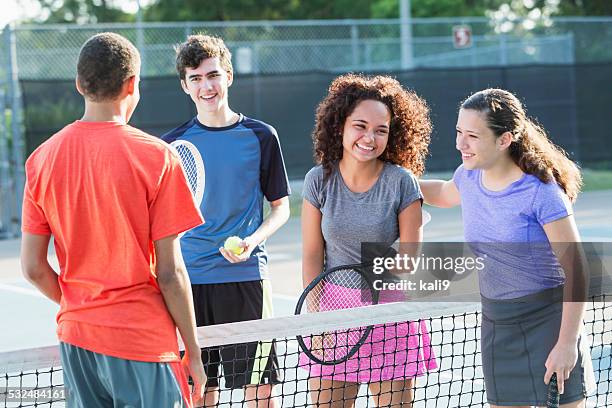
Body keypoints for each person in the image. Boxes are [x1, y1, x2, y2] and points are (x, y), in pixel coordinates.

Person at [20, 33, 206, 407]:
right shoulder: (158, 158)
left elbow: (33, 268)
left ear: (78, 84)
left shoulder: (40, 159)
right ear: (132, 84)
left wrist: (82, 308)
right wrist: (194, 353)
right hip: (143, 342)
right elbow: (170, 274)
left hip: (77, 340)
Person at [419, 88, 596, 408]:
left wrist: (567, 342)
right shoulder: (468, 176)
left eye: (473, 135)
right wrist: (395, 180)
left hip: (550, 323)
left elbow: (577, 267)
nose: (460, 144)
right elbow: (444, 193)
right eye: (459, 132)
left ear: (505, 139)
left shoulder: (540, 191)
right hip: (497, 324)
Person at [162, 34, 290, 407]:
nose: (207, 86)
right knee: (200, 391)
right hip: (189, 283)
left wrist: (252, 240)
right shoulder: (172, 145)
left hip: (246, 278)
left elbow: (281, 207)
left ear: (229, 76)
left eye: (213, 75)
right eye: (196, 78)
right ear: (185, 86)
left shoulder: (261, 136)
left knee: (260, 392)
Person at [300, 73, 437, 407]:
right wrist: (316, 320)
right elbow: (312, 256)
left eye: (381, 130)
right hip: (333, 314)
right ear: (340, 126)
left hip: (390, 314)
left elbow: (407, 263)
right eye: (360, 126)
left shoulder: (403, 183)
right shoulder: (318, 180)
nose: (369, 137)